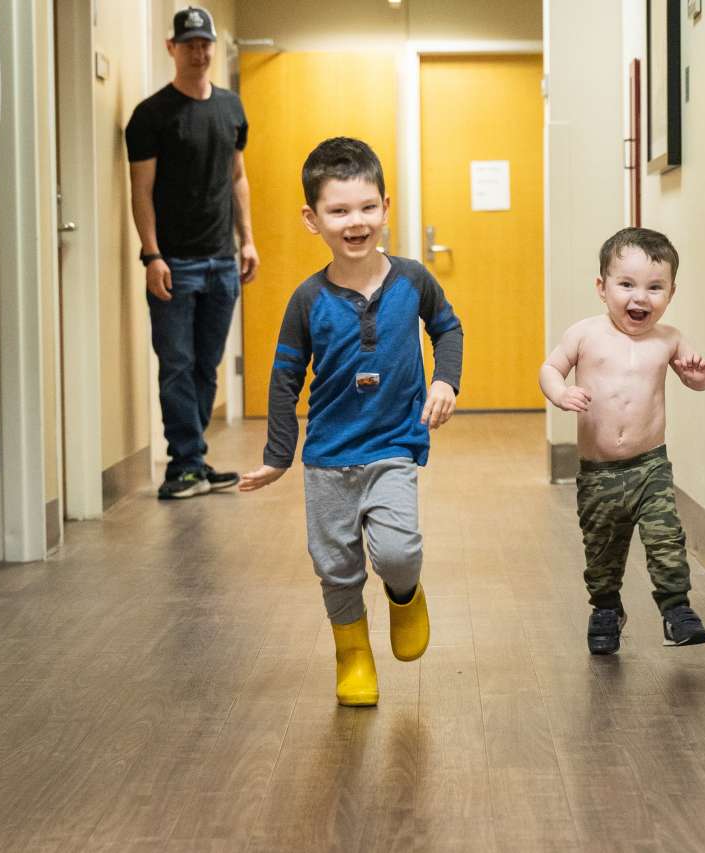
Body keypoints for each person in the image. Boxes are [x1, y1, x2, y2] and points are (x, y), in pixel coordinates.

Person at [239, 137, 463, 707]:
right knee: (335, 565)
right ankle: (354, 655)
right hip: (328, 457)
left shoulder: (412, 280)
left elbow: (447, 329)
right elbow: (285, 378)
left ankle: (405, 596)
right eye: (338, 211)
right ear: (312, 219)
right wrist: (278, 456)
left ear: (385, 207)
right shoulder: (307, 299)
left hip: (394, 445)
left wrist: (444, 381)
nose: (355, 221)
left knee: (397, 552)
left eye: (367, 207)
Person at [539, 227, 705, 655]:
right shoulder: (585, 334)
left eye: (655, 287)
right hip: (599, 471)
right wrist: (560, 393)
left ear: (671, 292)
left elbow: (700, 380)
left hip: (650, 466)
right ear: (602, 287)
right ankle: (606, 608)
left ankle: (676, 609)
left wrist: (698, 374)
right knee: (602, 548)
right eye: (627, 285)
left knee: (665, 539)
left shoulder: (669, 339)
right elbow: (551, 368)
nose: (641, 297)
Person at [126, 6, 260, 500]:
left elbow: (238, 177)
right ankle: (184, 464)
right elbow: (141, 190)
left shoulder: (231, 108)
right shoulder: (150, 115)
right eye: (189, 45)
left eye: (205, 44)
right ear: (172, 48)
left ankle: (193, 461)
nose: (199, 53)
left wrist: (247, 239)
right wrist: (152, 255)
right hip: (174, 263)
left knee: (206, 365)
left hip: (222, 259)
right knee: (177, 364)